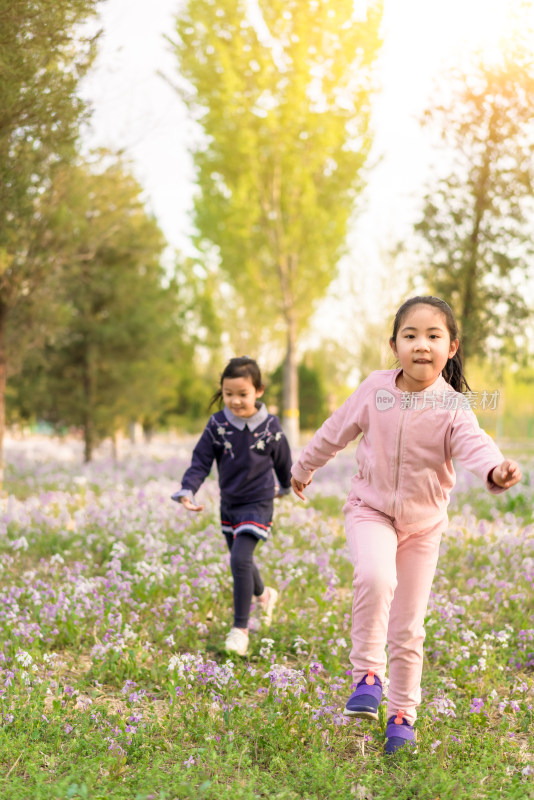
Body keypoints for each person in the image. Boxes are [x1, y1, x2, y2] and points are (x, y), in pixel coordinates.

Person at [290, 296, 522, 754]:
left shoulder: (455, 406)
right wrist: (302, 467)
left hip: (423, 526)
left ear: (451, 347)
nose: (421, 345)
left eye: (433, 336)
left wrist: (495, 471)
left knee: (409, 625)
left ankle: (401, 715)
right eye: (410, 335)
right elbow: (336, 429)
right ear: (393, 344)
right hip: (370, 508)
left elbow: (475, 444)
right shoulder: (376, 390)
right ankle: (368, 676)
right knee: (376, 576)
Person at [173, 356, 292, 657]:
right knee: (243, 560)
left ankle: (240, 629)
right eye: (229, 394)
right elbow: (201, 460)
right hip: (230, 505)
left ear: (258, 391)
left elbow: (283, 460)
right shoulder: (217, 425)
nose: (235, 401)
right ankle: (265, 595)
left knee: (239, 559)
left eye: (243, 394)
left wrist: (290, 485)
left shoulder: (271, 426)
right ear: (222, 392)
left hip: (260, 502)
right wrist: (189, 489)